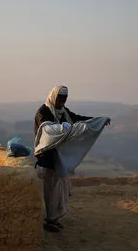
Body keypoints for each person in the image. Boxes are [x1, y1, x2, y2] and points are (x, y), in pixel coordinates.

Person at [34, 85, 110, 232]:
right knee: (49, 191)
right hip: (46, 158)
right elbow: (47, 131)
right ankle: (48, 220)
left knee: (58, 190)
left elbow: (77, 120)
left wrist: (99, 121)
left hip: (58, 158)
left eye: (64, 98)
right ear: (53, 96)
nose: (62, 100)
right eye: (60, 97)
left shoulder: (63, 112)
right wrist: (66, 128)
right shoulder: (43, 112)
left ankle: (53, 218)